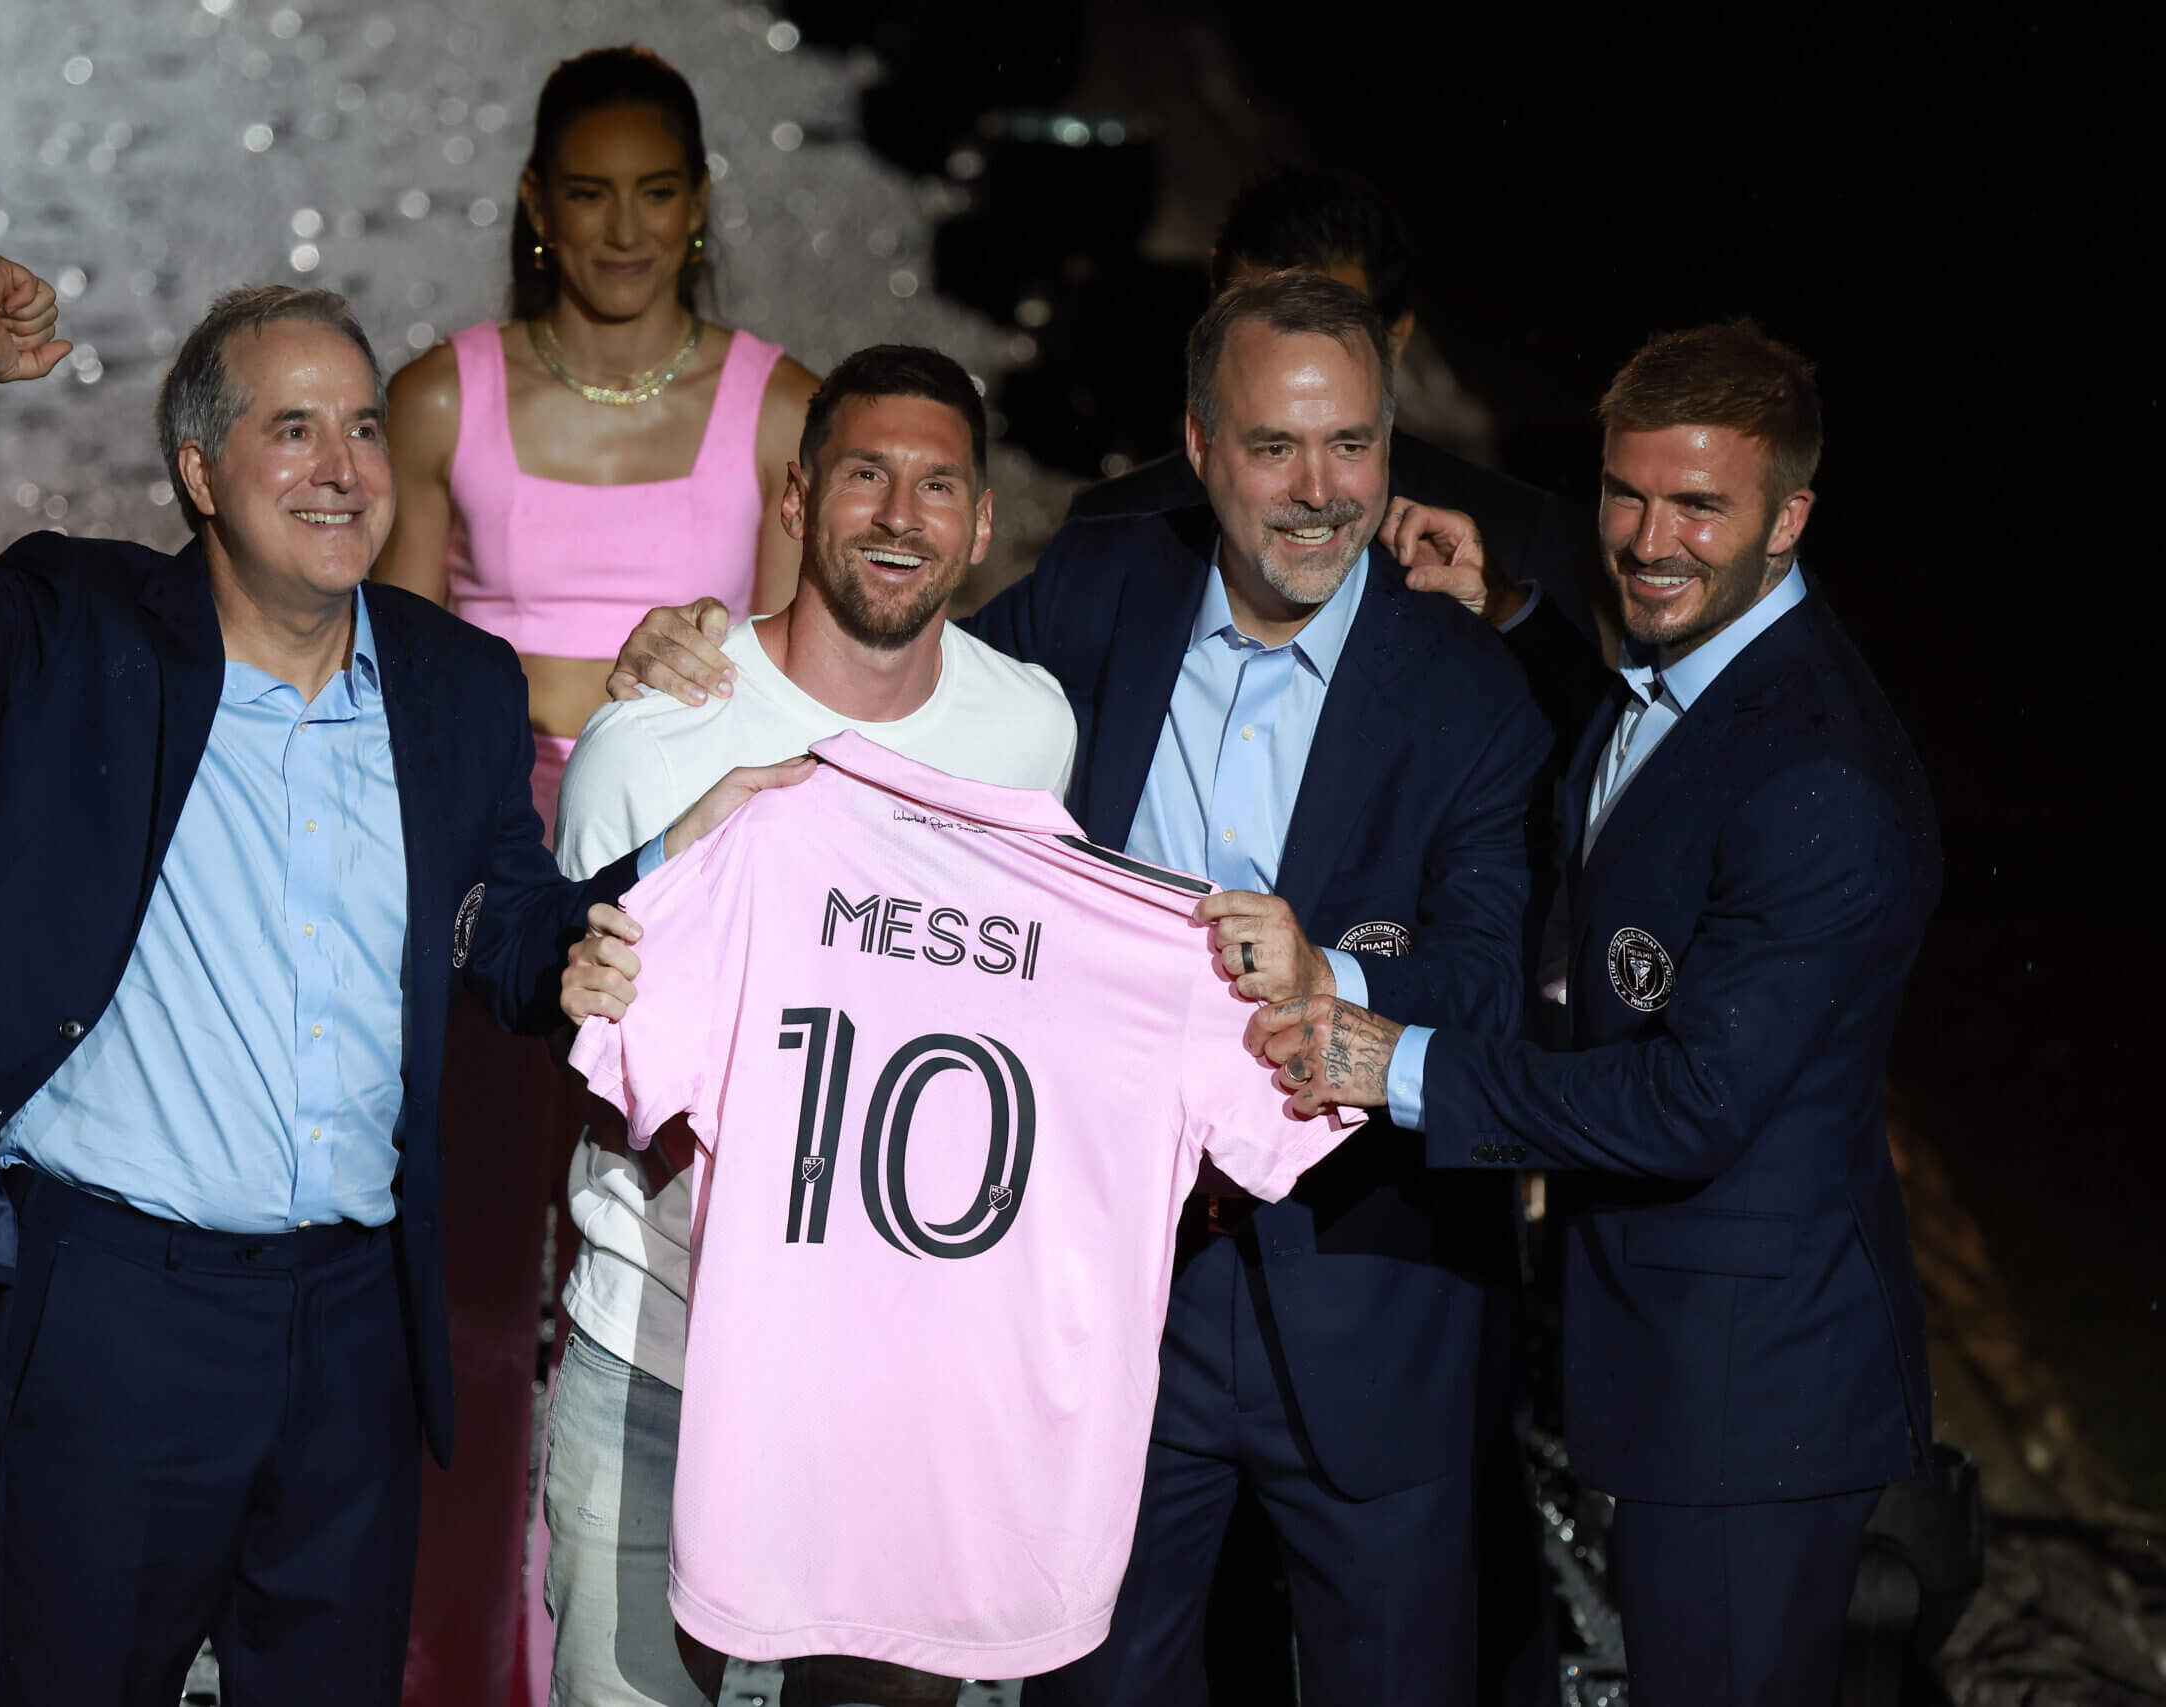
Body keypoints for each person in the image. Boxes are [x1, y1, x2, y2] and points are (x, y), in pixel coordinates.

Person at [0, 256, 765, 1706]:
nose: (342, 467)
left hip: (351, 1328)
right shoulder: (83, 637)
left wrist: (623, 907)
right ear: (198, 467)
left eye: (364, 426)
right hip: (120, 1308)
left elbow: (497, 925)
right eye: (291, 428)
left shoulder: (455, 683)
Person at [607, 270, 1554, 1706]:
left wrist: (1333, 975)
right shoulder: (1105, 593)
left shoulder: (1473, 688)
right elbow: (902, 682)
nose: (1318, 492)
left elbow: (1489, 983)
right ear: (1195, 444)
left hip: (1373, 1306)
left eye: (1352, 446)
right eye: (1272, 447)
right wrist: (714, 656)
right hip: (1111, 1306)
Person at [1270, 321, 1937, 1706]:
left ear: (1791, 515)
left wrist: (1402, 1064)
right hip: (1665, 1347)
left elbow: (1693, 1095)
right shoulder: (1695, 676)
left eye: (1700, 504)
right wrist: (1510, 614)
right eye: (1626, 493)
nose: (1648, 537)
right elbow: (1656, 785)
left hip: (1756, 1398)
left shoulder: (1826, 787)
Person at [364, 46, 819, 1706]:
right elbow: (399, 684)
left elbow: (803, 693)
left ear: (699, 209)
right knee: (482, 1313)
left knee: (665, 1311)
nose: (623, 228)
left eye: (657, 192)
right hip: (491, 899)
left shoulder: (785, 410)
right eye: (588, 192)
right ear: (535, 210)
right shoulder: (440, 399)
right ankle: (460, 1672)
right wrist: (576, 701)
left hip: (684, 910)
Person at [546, 344, 1077, 1706]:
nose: (900, 515)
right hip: (658, 1360)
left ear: (982, 521)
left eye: (937, 484)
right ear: (795, 498)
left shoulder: (1032, 738)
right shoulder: (651, 739)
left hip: (906, 1395)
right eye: (865, 476)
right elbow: (582, 1035)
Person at [1070, 167, 1607, 752]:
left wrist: (1502, 609)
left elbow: (1596, 768)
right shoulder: (1107, 528)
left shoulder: (1512, 537)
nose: (1294, 349)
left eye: (1333, 322)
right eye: (1259, 315)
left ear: (1396, 339)